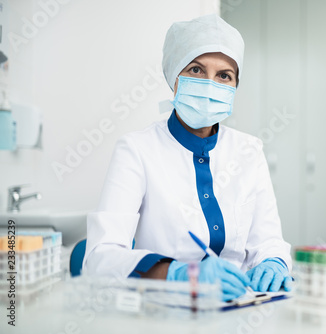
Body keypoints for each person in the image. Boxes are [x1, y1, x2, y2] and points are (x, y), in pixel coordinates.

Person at [82, 14, 292, 301]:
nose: (210, 84)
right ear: (174, 78)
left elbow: (268, 241)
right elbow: (99, 258)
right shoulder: (136, 150)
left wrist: (274, 262)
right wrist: (181, 275)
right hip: (166, 309)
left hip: (242, 307)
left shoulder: (249, 151)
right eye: (196, 69)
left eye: (224, 75)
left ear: (234, 86)